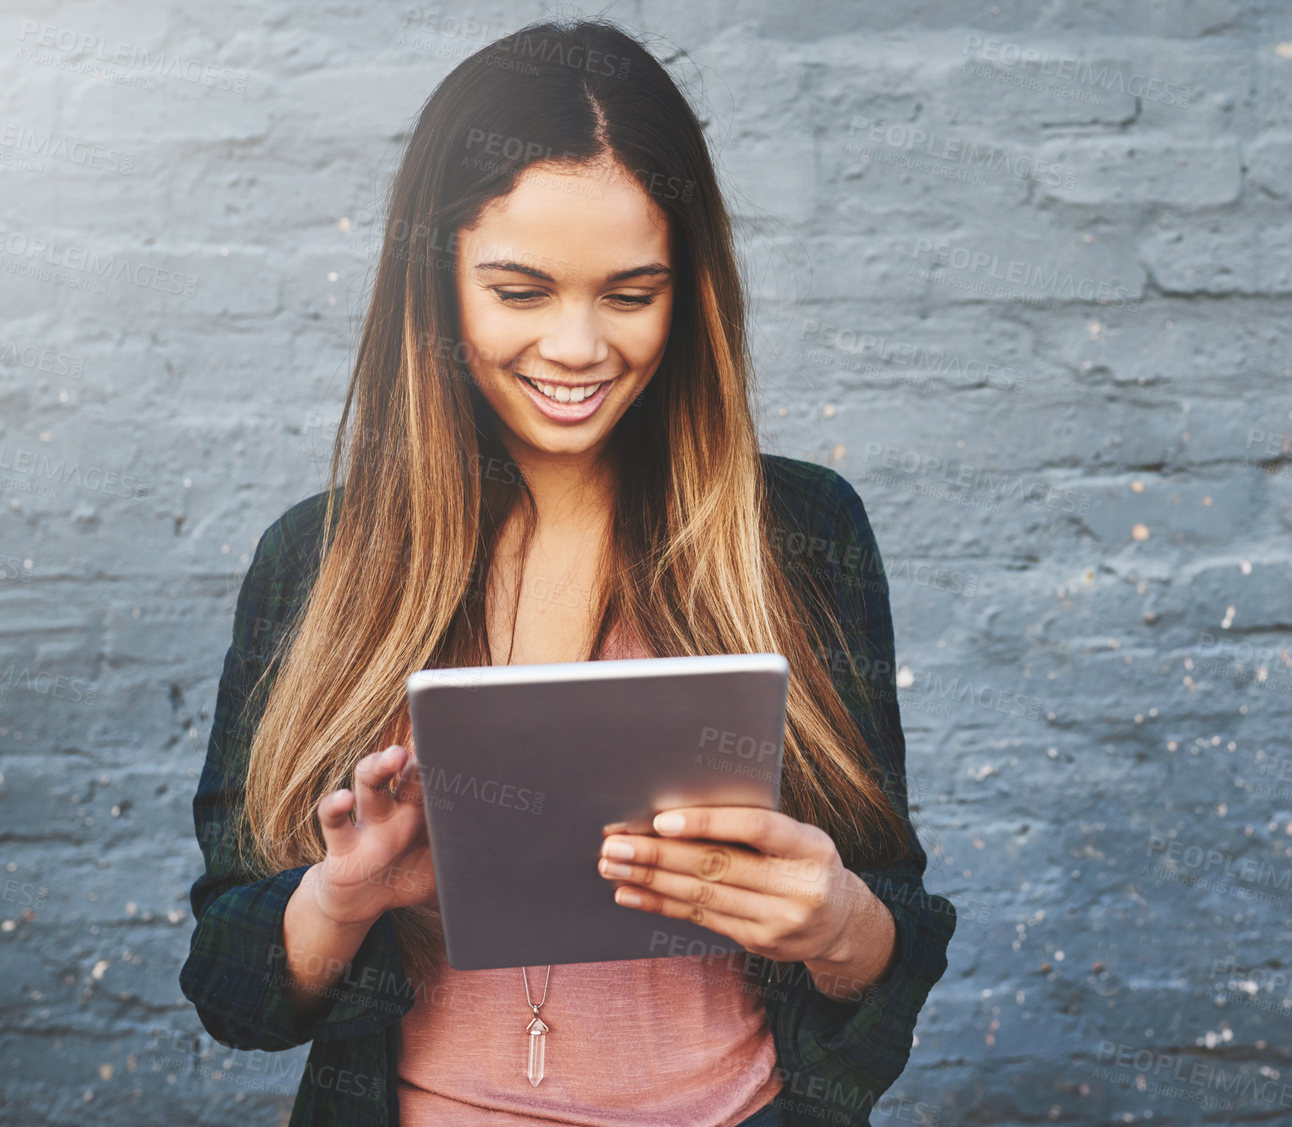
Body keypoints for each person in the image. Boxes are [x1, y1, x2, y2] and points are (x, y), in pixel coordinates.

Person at [177, 17, 956, 1127]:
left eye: (632, 294)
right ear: (435, 283)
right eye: (522, 290)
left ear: (690, 294)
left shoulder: (802, 530)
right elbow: (229, 987)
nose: (581, 347)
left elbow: (894, 929)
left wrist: (839, 924)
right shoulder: (318, 560)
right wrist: (341, 897)